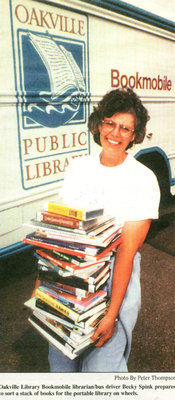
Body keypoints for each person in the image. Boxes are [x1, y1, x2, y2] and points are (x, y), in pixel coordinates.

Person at [41, 88, 160, 372]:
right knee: (61, 364)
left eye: (125, 128)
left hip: (113, 280)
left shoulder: (142, 179)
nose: (115, 134)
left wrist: (110, 314)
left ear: (134, 135)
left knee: (101, 371)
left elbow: (126, 254)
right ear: (99, 124)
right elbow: (61, 234)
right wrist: (44, 286)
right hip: (70, 274)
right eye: (110, 123)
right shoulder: (78, 167)